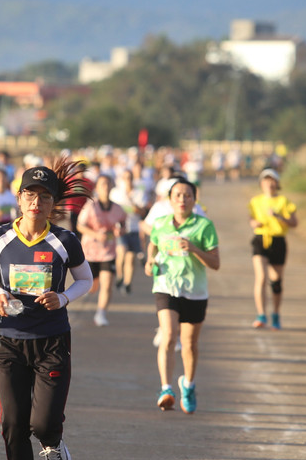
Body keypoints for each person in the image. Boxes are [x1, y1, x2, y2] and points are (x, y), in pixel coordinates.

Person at [0, 160, 93, 460]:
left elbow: (85, 279)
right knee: (12, 422)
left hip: (52, 341)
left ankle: (52, 443)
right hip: (9, 342)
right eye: (29, 194)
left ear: (52, 202)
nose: (35, 202)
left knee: (41, 424)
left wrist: (64, 297)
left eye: (44, 196)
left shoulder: (64, 240)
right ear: (19, 198)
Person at [144, 178, 220, 414]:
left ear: (194, 199)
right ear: (170, 200)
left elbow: (215, 263)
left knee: (189, 344)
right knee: (168, 334)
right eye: (177, 195)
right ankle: (166, 389)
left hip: (195, 291)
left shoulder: (204, 226)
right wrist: (149, 261)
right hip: (166, 286)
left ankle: (188, 384)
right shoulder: (161, 223)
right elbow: (153, 245)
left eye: (187, 195)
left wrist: (194, 249)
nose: (182, 199)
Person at [249, 168, 298, 329]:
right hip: (260, 239)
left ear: (277, 183)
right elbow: (251, 218)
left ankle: (276, 313)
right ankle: (261, 314)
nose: (269, 184)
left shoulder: (284, 201)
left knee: (276, 281)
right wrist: (254, 223)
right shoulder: (255, 201)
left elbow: (294, 223)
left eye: (272, 180)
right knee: (261, 277)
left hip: (278, 241)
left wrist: (279, 217)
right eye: (266, 180)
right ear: (261, 183)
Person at [76, 174, 126, 326]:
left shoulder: (117, 208)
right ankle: (91, 290)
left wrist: (120, 231)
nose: (105, 187)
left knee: (107, 283)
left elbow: (123, 224)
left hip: (108, 252)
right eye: (102, 184)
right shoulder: (90, 206)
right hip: (90, 252)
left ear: (112, 186)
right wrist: (96, 234)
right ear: (97, 188)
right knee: (92, 286)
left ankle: (101, 313)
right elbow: (80, 226)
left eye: (108, 183)